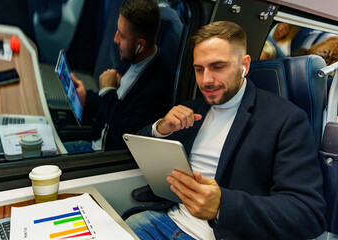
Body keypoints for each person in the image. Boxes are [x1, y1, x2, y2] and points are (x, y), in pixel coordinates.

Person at [125, 21, 326, 239]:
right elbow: (137, 150)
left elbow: (308, 214)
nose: (206, 80)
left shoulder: (286, 120)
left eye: (218, 67)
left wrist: (222, 206)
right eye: (199, 69)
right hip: (166, 220)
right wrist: (160, 129)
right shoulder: (191, 110)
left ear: (245, 65)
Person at [66, 0, 173, 152]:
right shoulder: (130, 58)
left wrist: (107, 91)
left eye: (122, 36)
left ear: (140, 46)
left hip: (107, 159)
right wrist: (87, 99)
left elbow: (127, 134)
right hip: (94, 142)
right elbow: (115, 106)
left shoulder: (156, 88)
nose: (115, 39)